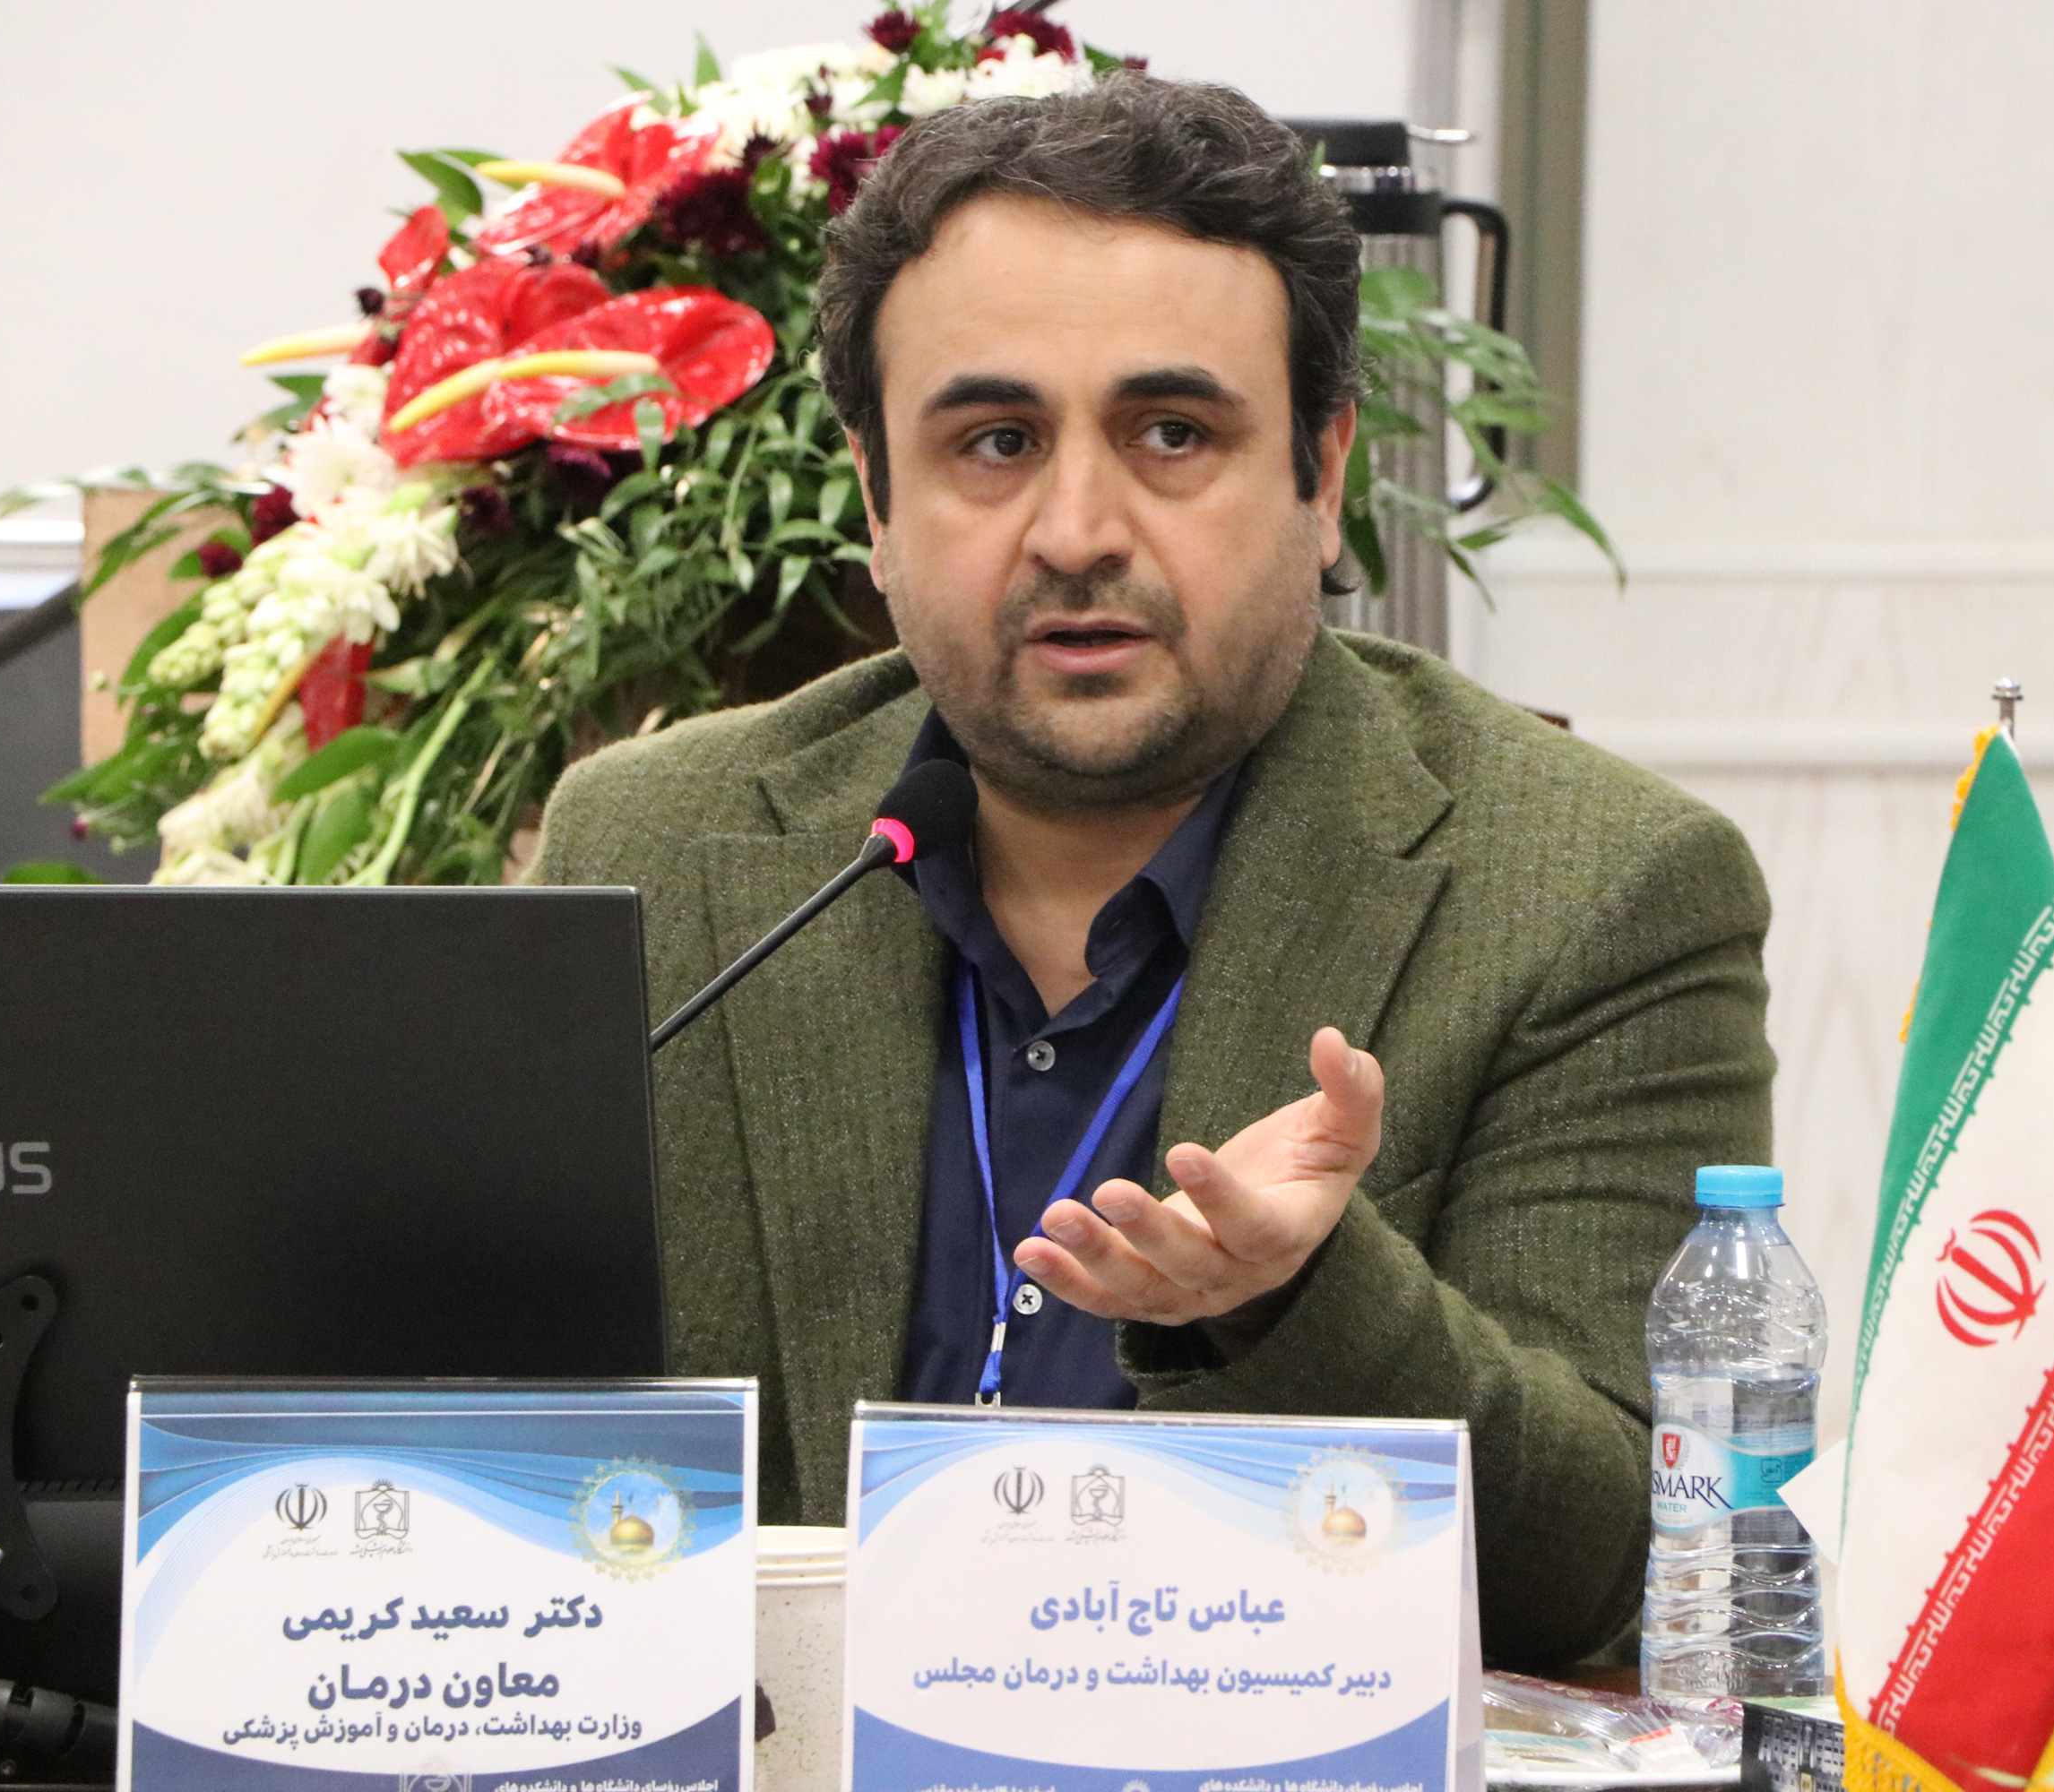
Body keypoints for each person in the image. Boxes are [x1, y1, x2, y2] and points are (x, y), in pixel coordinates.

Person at [531, 73, 1775, 1668]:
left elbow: (1624, 1574)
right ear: (877, 502)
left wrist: (1293, 1300)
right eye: (995, 442)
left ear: (1322, 479)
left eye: (1172, 434)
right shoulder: (658, 851)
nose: (1076, 530)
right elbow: (504, 1442)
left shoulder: (1598, 889)